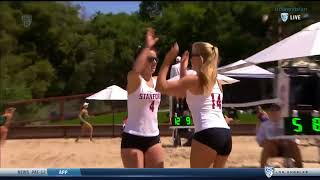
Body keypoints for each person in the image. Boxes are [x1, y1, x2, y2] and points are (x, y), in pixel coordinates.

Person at [156, 42, 232, 168]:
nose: (191, 58)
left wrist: (168, 59)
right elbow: (183, 93)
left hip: (207, 133)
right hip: (225, 135)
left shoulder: (194, 79)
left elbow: (160, 86)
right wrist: (182, 70)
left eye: (193, 55)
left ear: (200, 58)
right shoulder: (217, 81)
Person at [121, 28, 164, 168]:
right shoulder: (135, 79)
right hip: (133, 137)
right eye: (151, 59)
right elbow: (135, 69)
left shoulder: (159, 81)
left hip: (153, 137)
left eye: (156, 59)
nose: (155, 62)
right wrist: (147, 47)